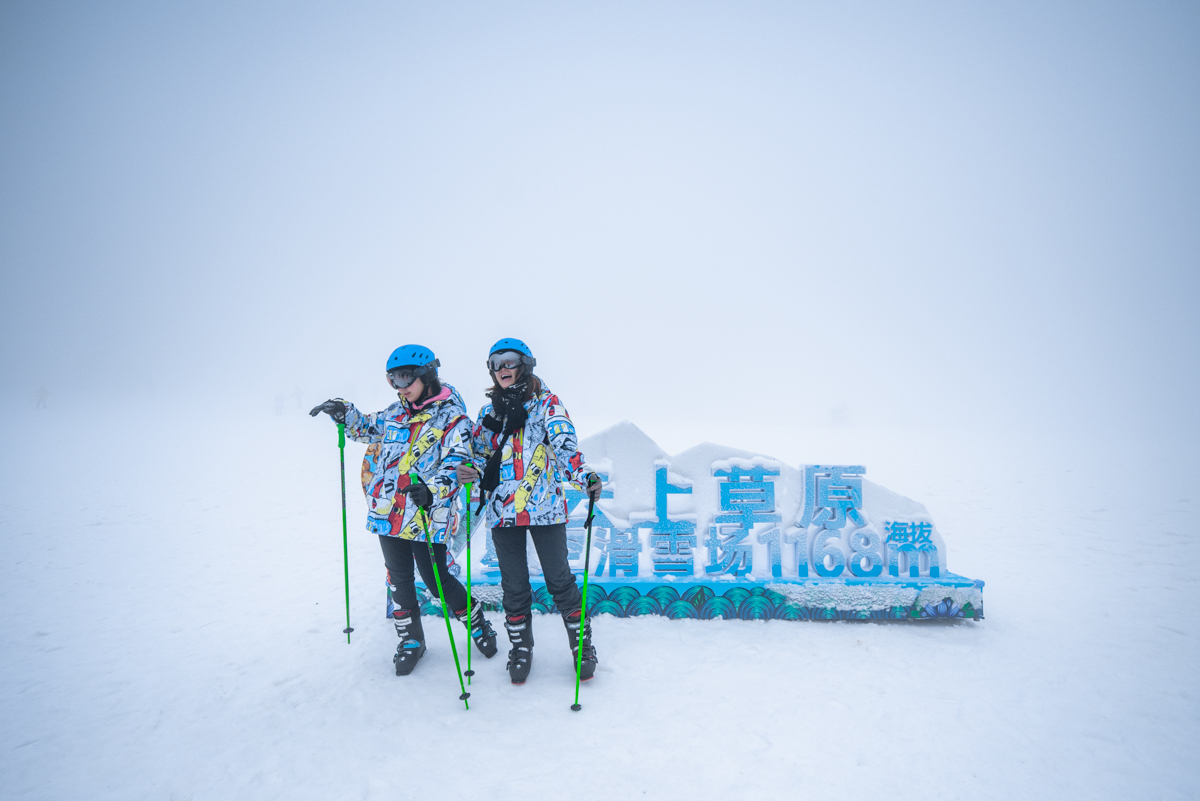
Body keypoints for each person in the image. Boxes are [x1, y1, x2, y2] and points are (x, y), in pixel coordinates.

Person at [310, 344, 498, 675]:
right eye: (392, 380)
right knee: (398, 578)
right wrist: (344, 412)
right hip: (389, 512)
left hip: (427, 512)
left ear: (426, 375)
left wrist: (432, 490)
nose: (400, 387)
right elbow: (368, 428)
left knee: (436, 580)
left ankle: (477, 621)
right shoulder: (396, 412)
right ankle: (411, 639)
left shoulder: (453, 418)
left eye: (404, 378)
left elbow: (457, 464)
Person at [456, 338, 603, 685]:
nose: (503, 369)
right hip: (503, 512)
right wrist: (470, 470)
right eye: (496, 364)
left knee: (560, 581)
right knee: (514, 586)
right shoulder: (489, 413)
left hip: (545, 509)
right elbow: (480, 454)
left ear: (525, 364)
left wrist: (583, 475)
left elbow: (565, 445)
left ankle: (582, 646)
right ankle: (520, 648)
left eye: (509, 361)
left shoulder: (547, 404)